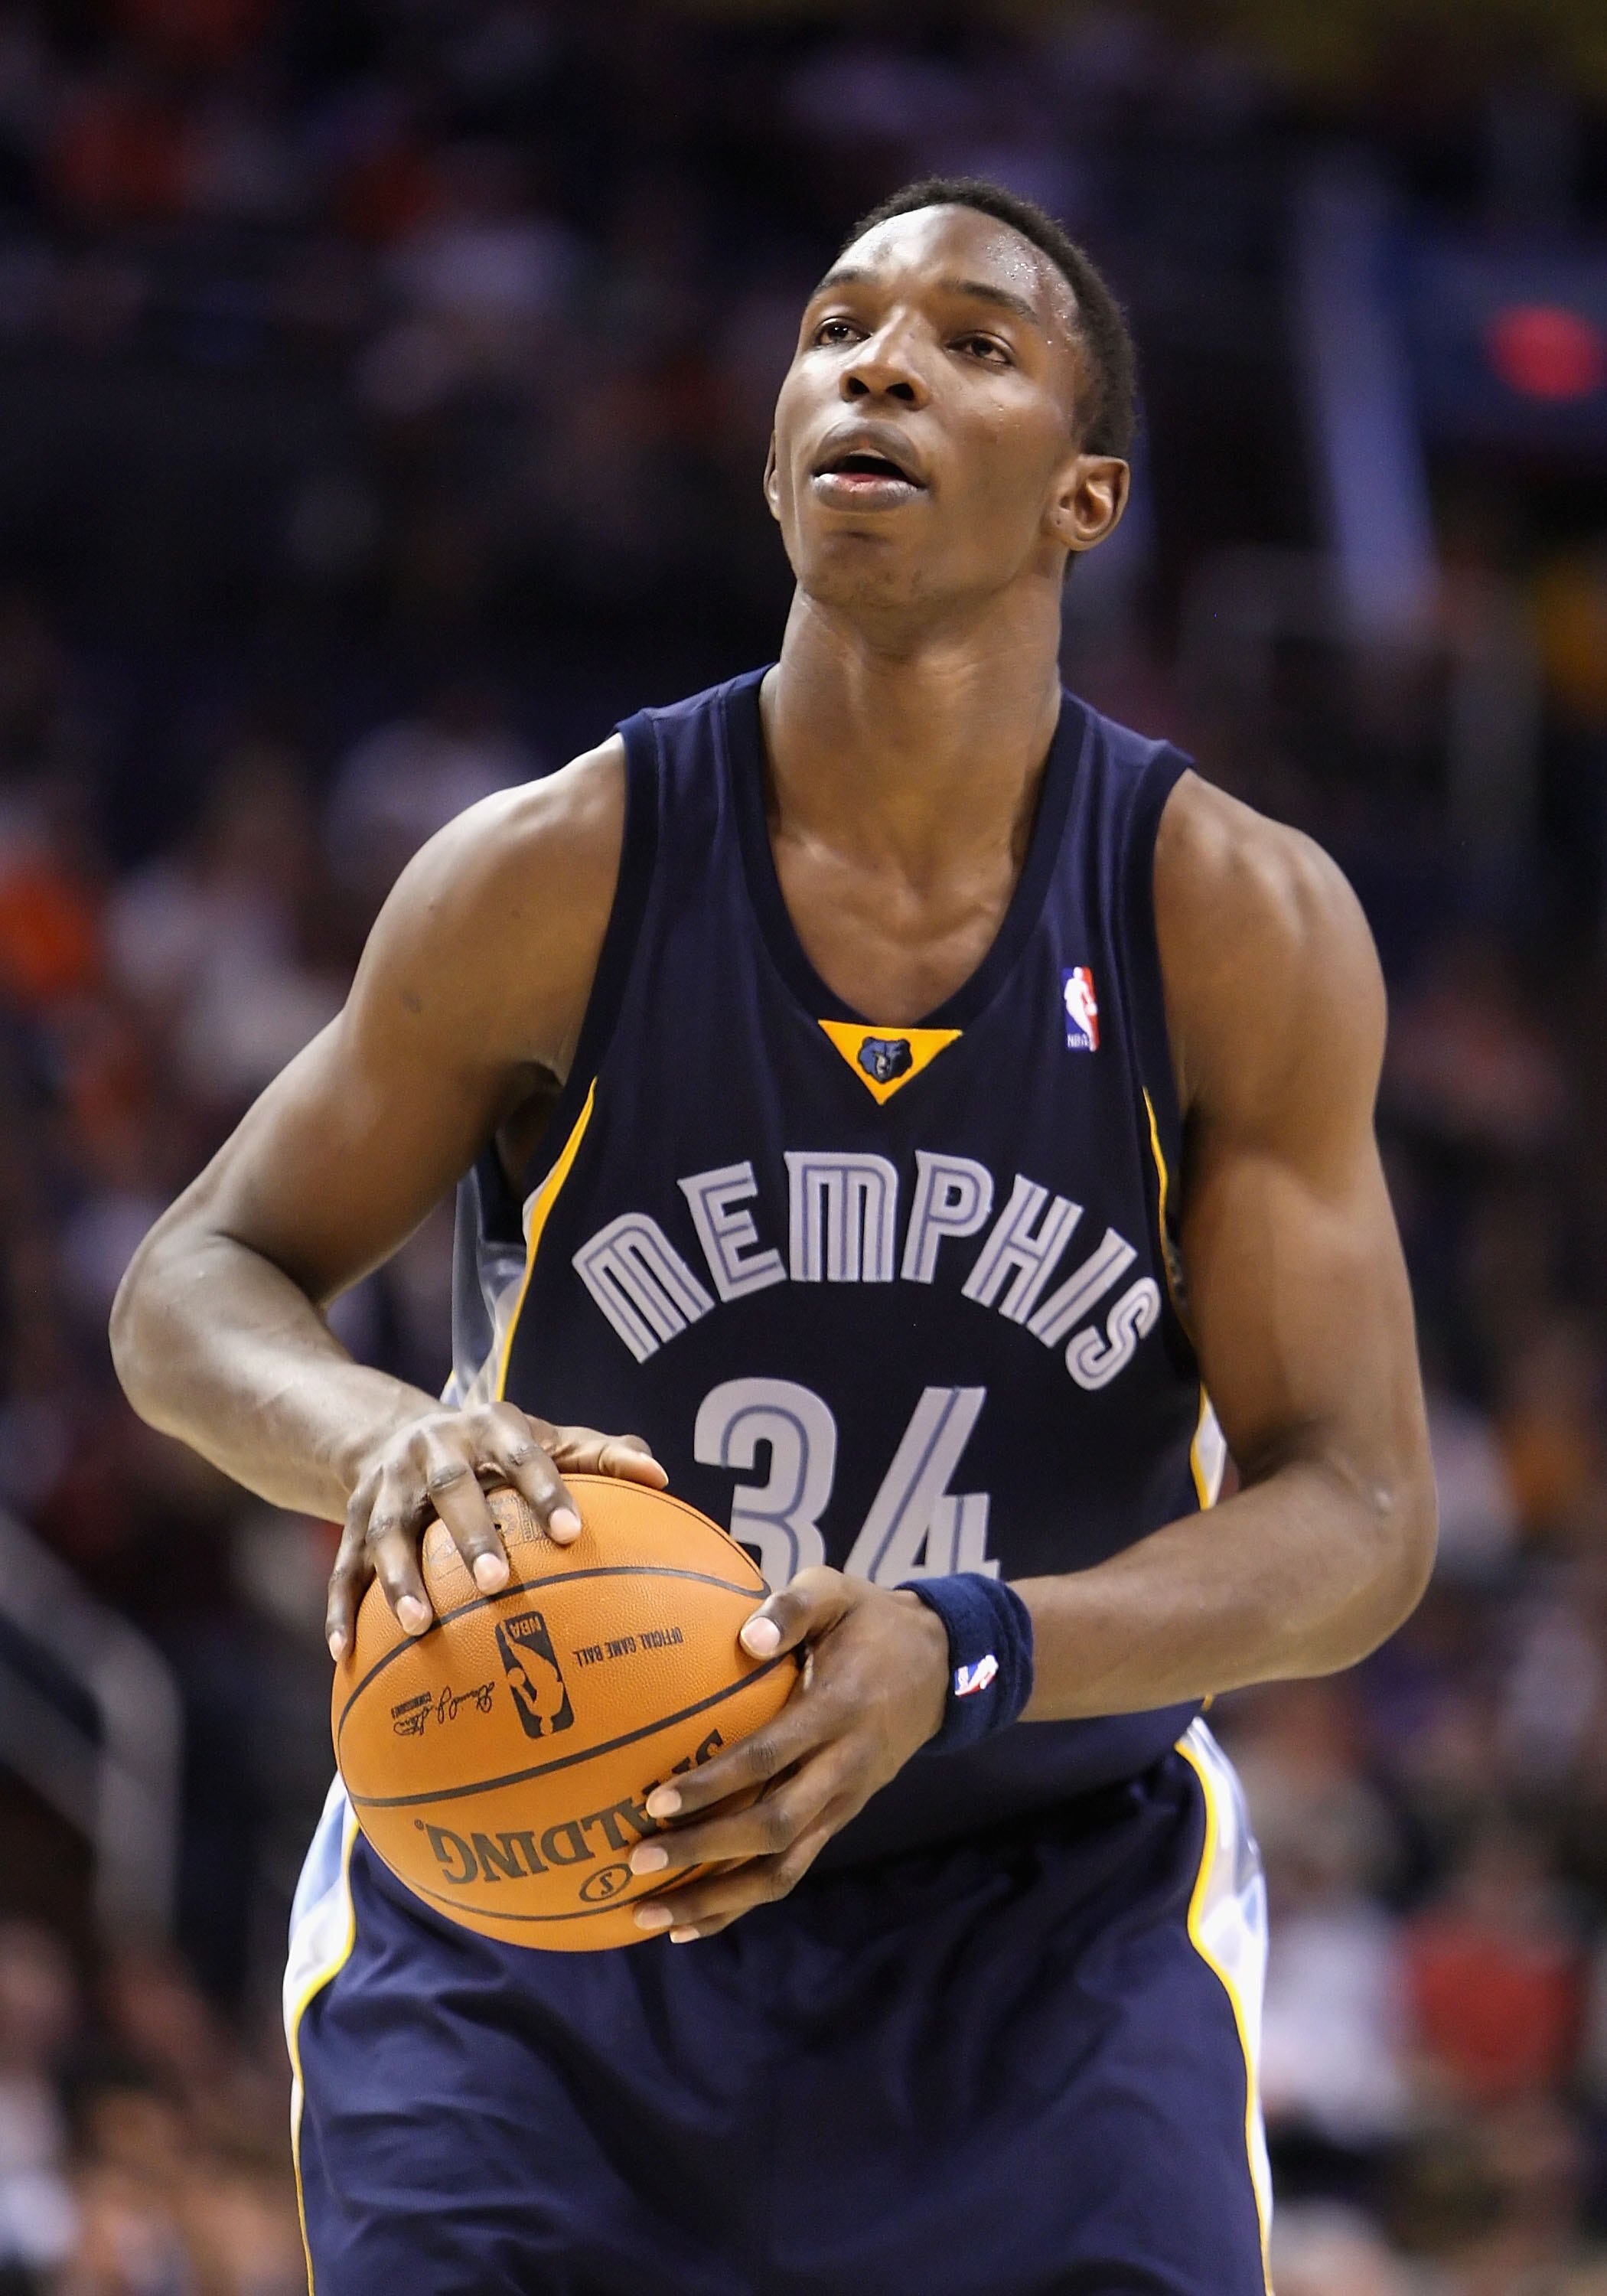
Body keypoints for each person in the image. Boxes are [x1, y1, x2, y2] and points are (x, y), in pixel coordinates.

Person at [111, 176, 1436, 2296]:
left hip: (1034, 1916)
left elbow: (1358, 1513)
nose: (879, 361)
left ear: (1082, 498)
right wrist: (373, 1442)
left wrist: (969, 1645)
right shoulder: (553, 871)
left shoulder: (1227, 921)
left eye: (969, 343)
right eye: (835, 327)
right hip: (543, 1893)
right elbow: (195, 1280)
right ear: (772, 443)